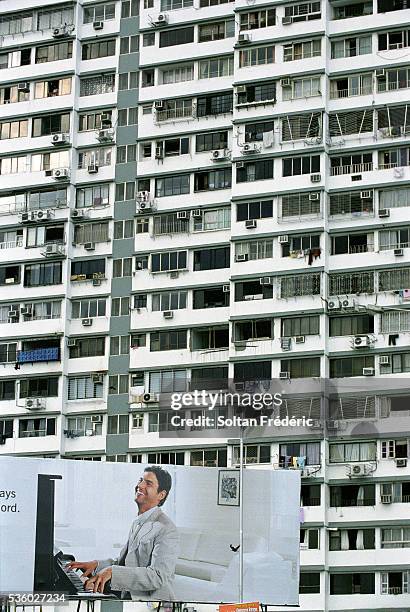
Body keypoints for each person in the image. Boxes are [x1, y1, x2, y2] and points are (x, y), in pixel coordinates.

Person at [68, 466, 179, 600]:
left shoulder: (167, 529)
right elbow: (124, 563)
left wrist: (112, 572)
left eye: (148, 483)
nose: (140, 485)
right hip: (127, 597)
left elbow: (158, 576)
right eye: (140, 480)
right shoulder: (138, 521)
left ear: (161, 494)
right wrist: (96, 564)